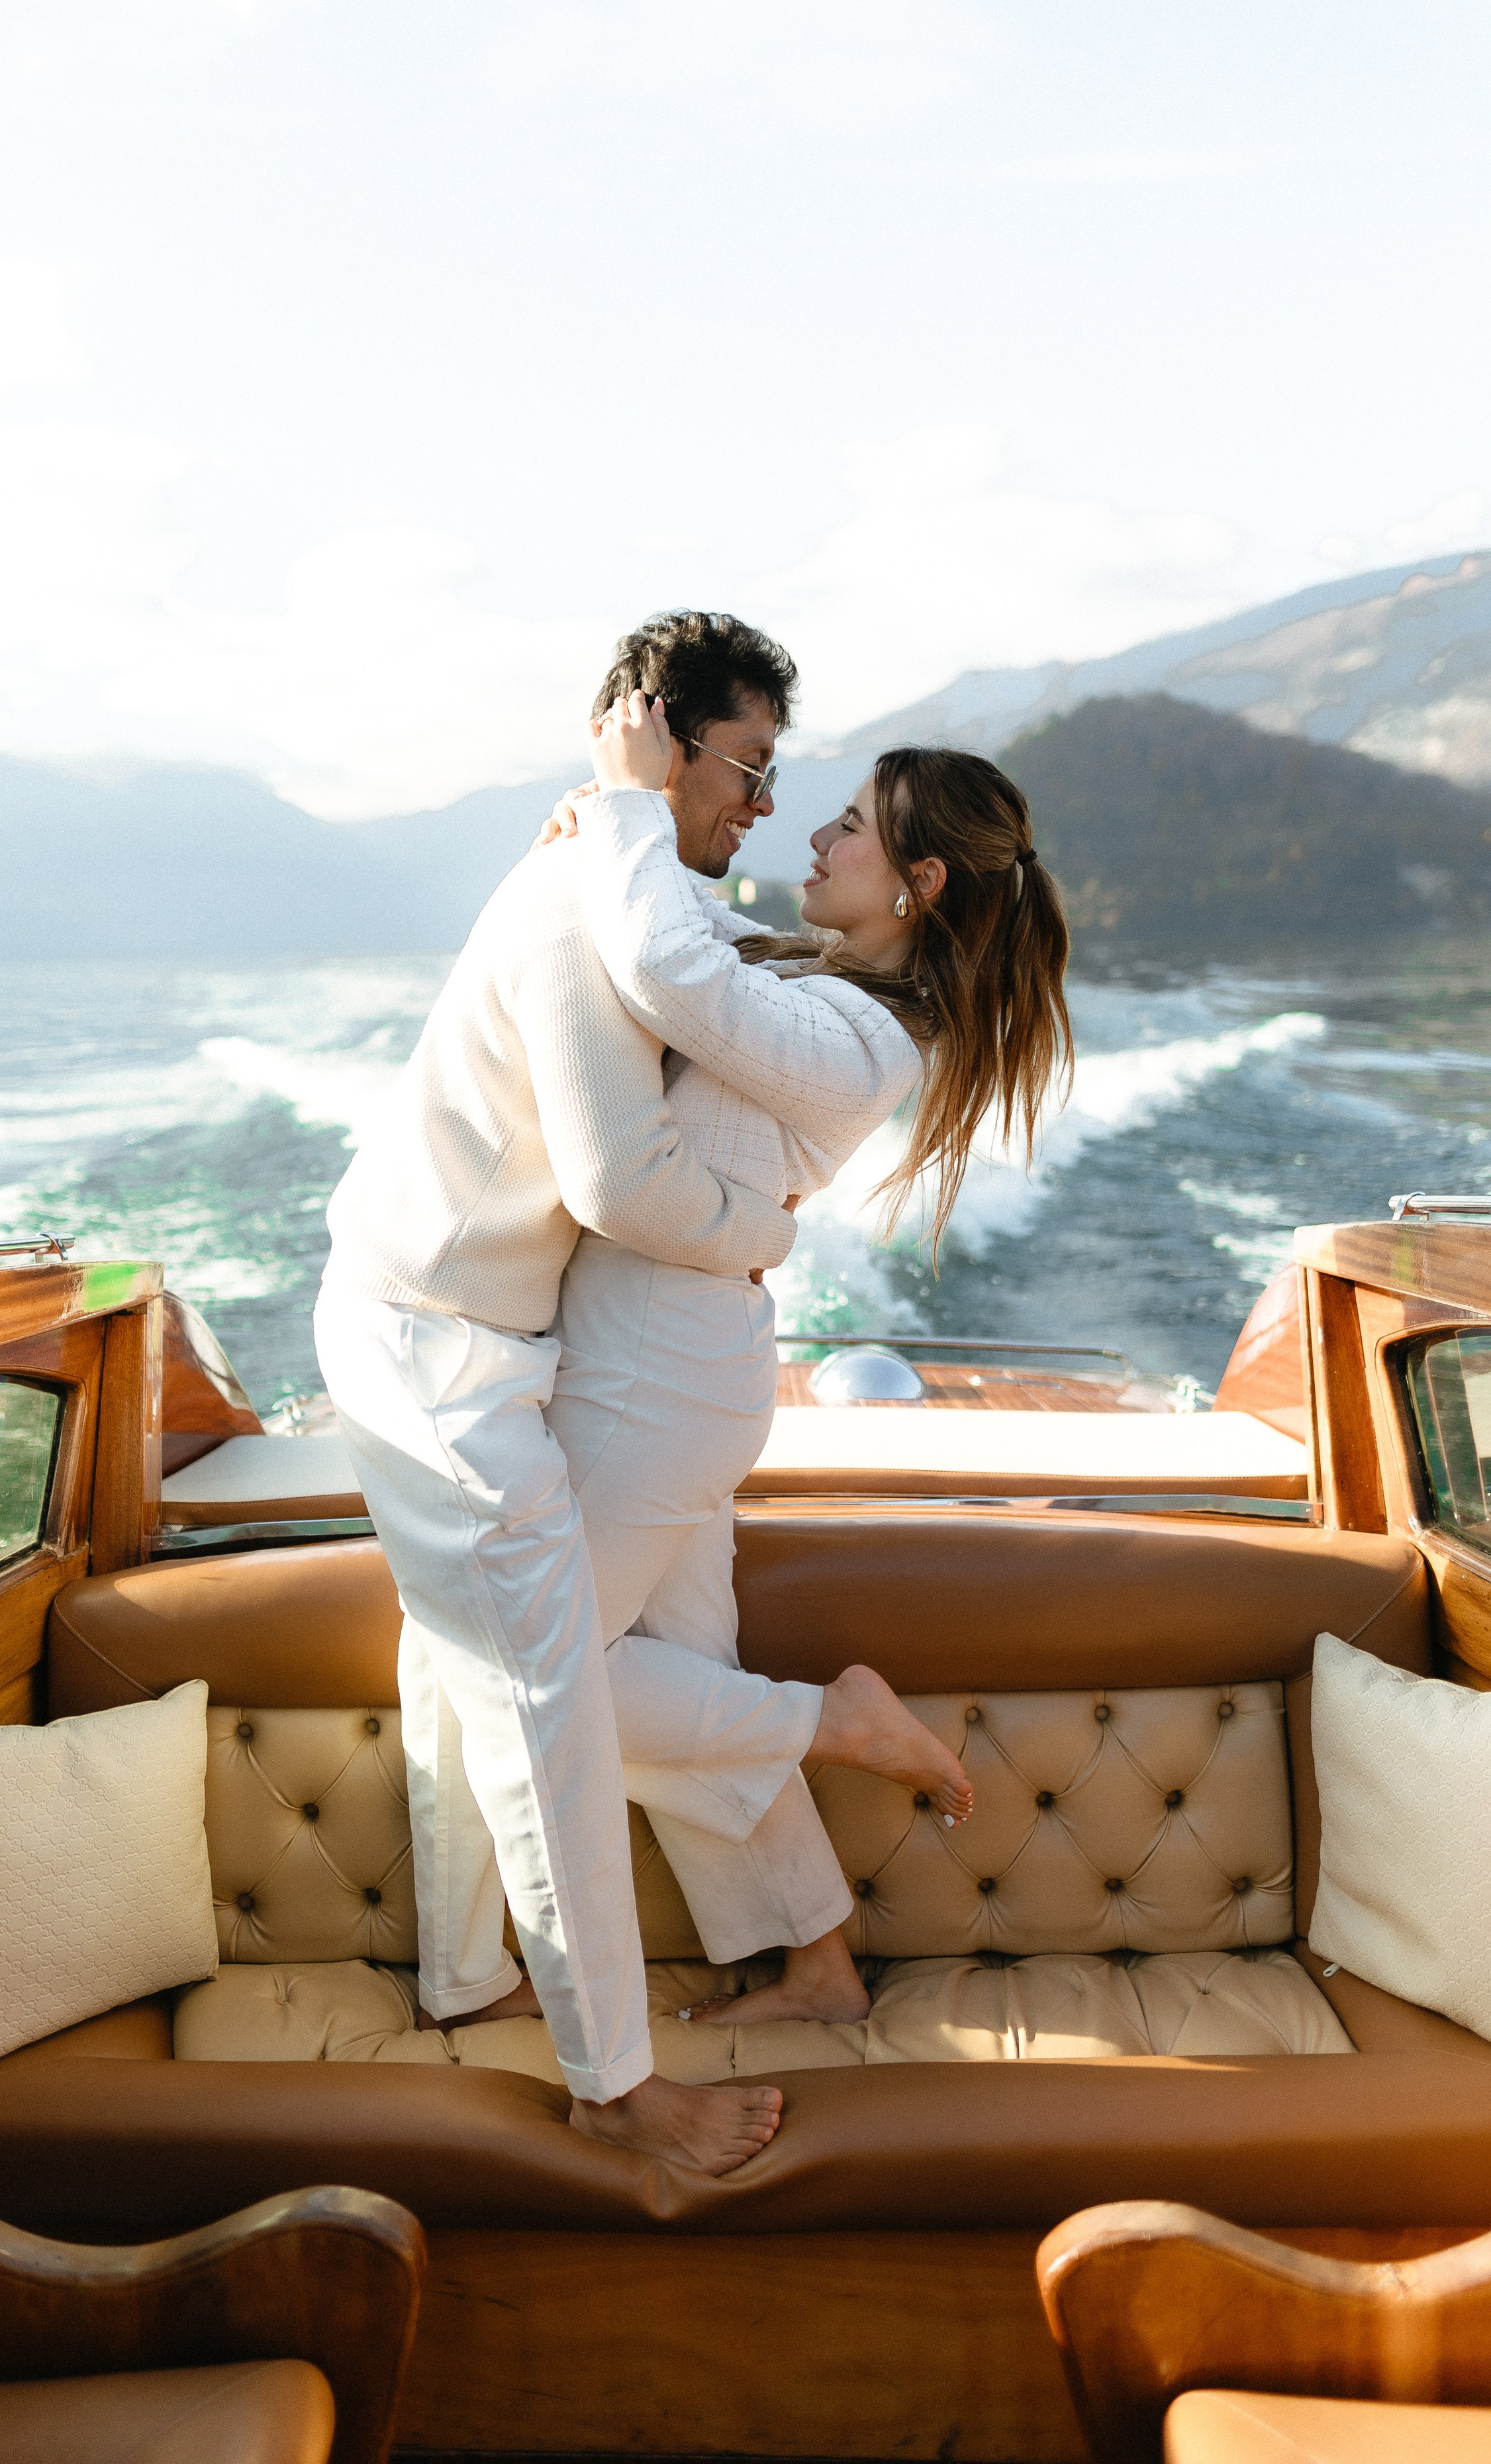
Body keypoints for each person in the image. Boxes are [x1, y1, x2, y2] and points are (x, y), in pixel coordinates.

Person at [422, 638, 1075, 2034]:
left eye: (851, 825)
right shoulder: (806, 977)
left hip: (652, 1387)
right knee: (680, 1683)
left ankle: (831, 1721)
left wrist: (618, 818)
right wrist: (598, 837)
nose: (814, 831)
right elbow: (670, 937)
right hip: (672, 1377)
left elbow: (664, 969)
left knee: (543, 1676)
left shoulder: (863, 1037)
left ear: (918, 886)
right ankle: (814, 1954)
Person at [313, 614, 806, 2174]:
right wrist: (768, 1233)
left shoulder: (616, 878)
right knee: (543, 1698)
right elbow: (619, 1180)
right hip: (431, 1350)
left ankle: (465, 1985)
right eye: (745, 765)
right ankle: (612, 2083)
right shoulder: (567, 907)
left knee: (470, 1660)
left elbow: (707, 980)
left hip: (491, 1343)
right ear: (656, 738)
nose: (763, 805)